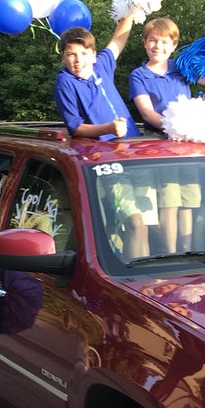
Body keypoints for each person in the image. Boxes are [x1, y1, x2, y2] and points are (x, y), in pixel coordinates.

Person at [128, 17, 205, 253]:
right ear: (144, 43)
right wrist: (176, 126)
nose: (157, 46)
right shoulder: (138, 75)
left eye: (164, 42)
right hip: (160, 144)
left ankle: (188, 251)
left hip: (187, 144)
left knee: (189, 203)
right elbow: (148, 113)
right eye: (152, 40)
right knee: (170, 202)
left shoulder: (181, 68)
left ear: (173, 45)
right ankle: (172, 255)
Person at [53, 15, 149, 256]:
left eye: (84, 54)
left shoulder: (102, 66)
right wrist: (107, 129)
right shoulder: (65, 82)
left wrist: (131, 10)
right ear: (63, 57)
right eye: (71, 54)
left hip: (135, 154)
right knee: (134, 223)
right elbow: (75, 126)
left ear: (94, 55)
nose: (78, 60)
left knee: (145, 227)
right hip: (107, 163)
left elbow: (118, 40)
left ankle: (148, 279)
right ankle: (126, 280)